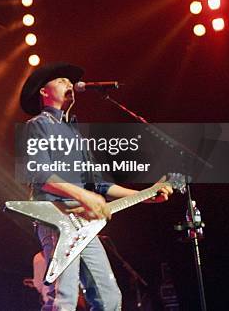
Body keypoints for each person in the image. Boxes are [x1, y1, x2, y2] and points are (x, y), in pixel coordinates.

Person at [19, 62, 172, 311]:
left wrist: (145, 195)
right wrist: (84, 196)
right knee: (64, 298)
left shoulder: (75, 134)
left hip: (83, 223)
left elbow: (99, 185)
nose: (69, 83)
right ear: (43, 92)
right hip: (57, 218)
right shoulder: (37, 125)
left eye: (69, 81)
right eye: (60, 81)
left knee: (109, 298)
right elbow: (41, 174)